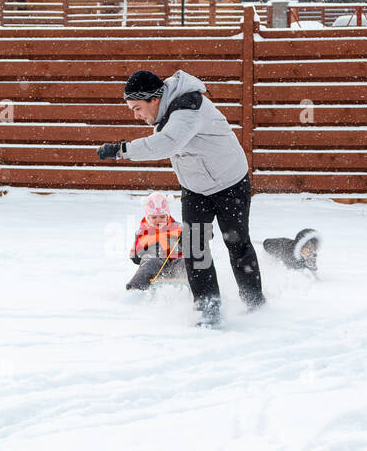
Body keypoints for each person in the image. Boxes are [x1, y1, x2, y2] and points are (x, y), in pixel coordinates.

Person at [97, 69, 264, 326]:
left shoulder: (188, 108)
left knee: (237, 243)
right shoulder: (166, 113)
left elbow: (167, 144)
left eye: (138, 108)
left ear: (155, 99)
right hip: (196, 189)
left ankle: (255, 305)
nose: (136, 115)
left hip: (230, 183)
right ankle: (207, 312)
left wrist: (122, 150)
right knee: (195, 249)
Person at [126, 192, 186, 291]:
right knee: (152, 262)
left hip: (174, 265)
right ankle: (135, 290)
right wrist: (137, 254)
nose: (158, 220)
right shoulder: (143, 232)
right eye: (154, 217)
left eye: (162, 217)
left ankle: (198, 287)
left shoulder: (178, 229)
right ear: (147, 217)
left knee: (185, 263)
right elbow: (135, 256)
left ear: (168, 216)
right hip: (153, 266)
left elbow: (188, 246)